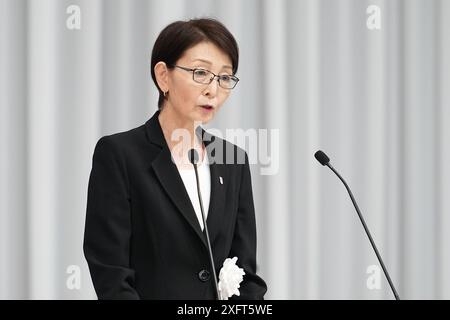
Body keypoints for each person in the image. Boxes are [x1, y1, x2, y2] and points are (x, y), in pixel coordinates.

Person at [83, 18, 267, 300]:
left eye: (224, 77)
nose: (213, 90)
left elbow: (247, 275)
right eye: (201, 73)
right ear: (163, 76)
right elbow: (111, 275)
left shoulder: (233, 160)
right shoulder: (119, 154)